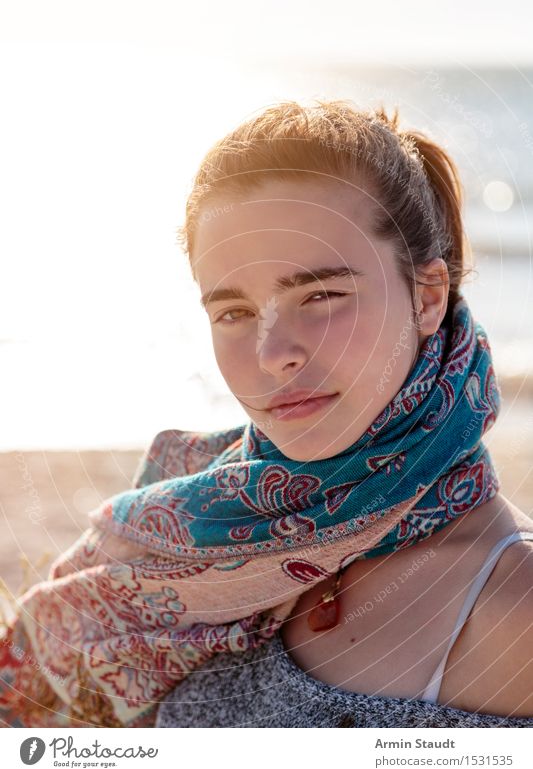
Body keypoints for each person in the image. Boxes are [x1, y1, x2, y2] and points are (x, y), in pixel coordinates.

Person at [1, 100, 532, 729]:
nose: (272, 352)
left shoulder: (510, 606)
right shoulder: (185, 525)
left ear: (427, 298)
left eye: (321, 295)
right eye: (233, 312)